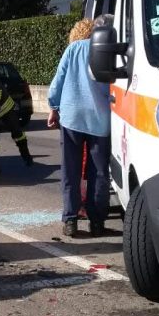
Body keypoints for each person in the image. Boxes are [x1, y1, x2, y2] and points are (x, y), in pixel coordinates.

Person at [47, 16, 112, 237]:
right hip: (100, 118)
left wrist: (53, 106)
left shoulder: (73, 49)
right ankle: (97, 222)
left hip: (72, 117)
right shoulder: (106, 49)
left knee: (71, 170)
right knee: (99, 173)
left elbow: (59, 80)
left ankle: (71, 220)